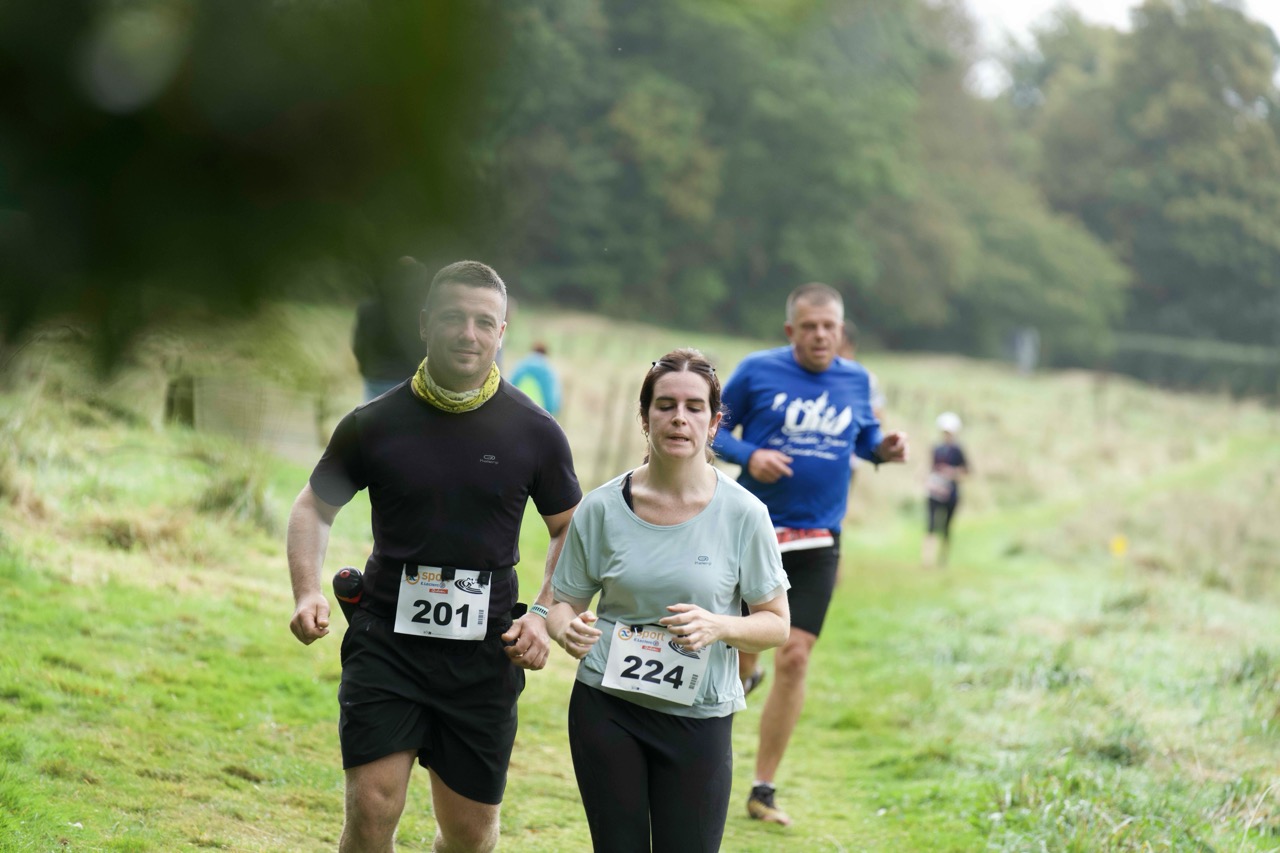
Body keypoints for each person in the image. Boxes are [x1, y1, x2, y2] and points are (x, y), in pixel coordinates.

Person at [287, 259, 582, 853]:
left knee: (470, 837)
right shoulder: (375, 422)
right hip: (386, 643)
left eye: (484, 321)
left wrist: (543, 611)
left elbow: (569, 530)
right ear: (424, 323)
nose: (468, 334)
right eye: (453, 317)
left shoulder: (535, 431)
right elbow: (313, 507)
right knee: (371, 812)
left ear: (502, 332)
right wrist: (307, 590)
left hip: (484, 654)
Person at [547, 349, 790, 853]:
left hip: (699, 717)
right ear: (645, 417)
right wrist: (565, 628)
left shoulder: (745, 514)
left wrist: (720, 626)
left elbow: (776, 624)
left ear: (715, 422)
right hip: (607, 706)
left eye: (694, 407)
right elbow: (562, 603)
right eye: (665, 405)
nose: (680, 418)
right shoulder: (601, 508)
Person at [711, 282, 909, 827]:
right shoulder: (758, 370)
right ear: (790, 330)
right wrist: (751, 454)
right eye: (810, 327)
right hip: (755, 531)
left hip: (820, 538)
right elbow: (711, 429)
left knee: (795, 655)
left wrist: (885, 449)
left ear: (841, 331)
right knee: (739, 652)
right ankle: (716, 726)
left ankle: (763, 789)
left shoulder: (856, 379)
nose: (822, 335)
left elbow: (865, 438)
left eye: (830, 327)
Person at [352, 256, 431, 402]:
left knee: (372, 415)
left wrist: (367, 370)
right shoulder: (418, 312)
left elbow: (359, 345)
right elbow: (424, 348)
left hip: (376, 379)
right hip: (406, 379)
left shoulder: (368, 308)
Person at [922, 411, 969, 567]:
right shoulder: (936, 448)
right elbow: (931, 467)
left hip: (951, 493)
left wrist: (952, 472)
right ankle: (927, 559)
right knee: (930, 524)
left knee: (946, 526)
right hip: (935, 491)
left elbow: (966, 471)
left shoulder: (958, 450)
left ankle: (942, 558)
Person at [508, 341, 562, 418]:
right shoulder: (548, 370)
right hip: (539, 413)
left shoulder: (521, 365)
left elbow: (509, 385)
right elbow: (552, 400)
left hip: (518, 408)